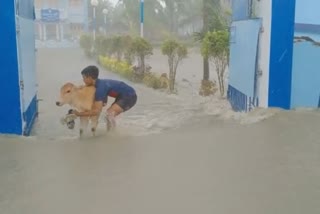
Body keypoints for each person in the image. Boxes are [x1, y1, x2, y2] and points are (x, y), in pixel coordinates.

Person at [72, 65, 137, 130]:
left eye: (84, 78)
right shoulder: (99, 83)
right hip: (123, 94)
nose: (83, 80)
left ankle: (112, 135)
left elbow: (96, 112)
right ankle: (110, 133)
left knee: (109, 115)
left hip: (129, 96)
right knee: (109, 115)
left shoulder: (100, 89)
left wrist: (79, 114)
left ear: (90, 78)